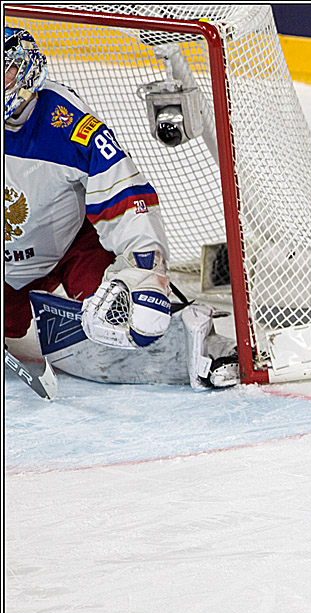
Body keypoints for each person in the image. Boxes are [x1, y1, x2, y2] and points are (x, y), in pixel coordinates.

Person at [4, 26, 237, 390]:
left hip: (69, 247)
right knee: (11, 324)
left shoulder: (66, 122)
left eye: (5, 70)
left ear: (28, 69)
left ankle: (203, 338)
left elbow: (123, 193)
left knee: (129, 313)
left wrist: (146, 265)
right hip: (8, 267)